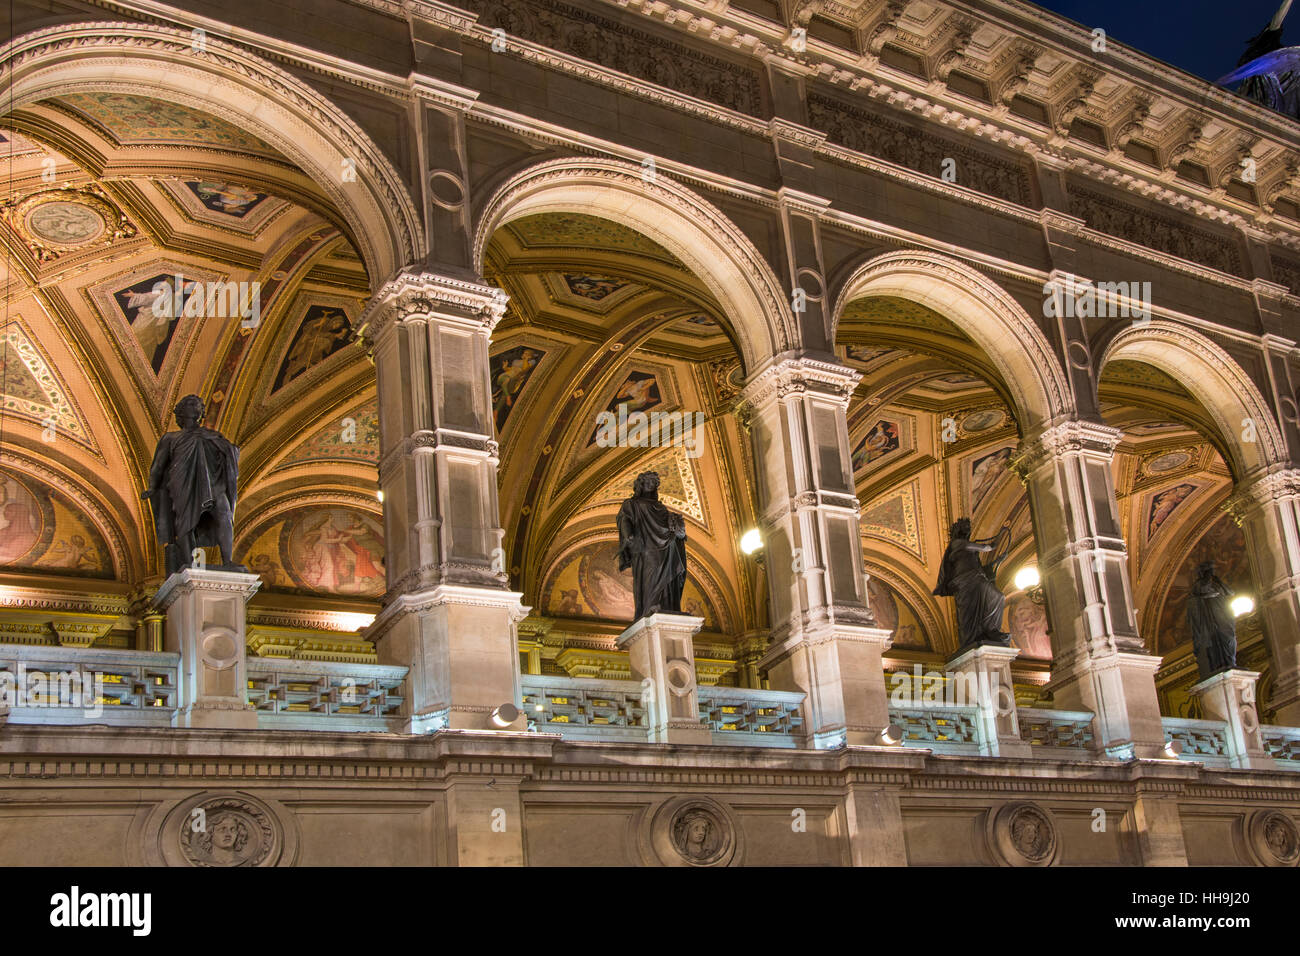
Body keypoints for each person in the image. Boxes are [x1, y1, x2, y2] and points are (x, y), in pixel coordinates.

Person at [141, 394, 243, 573]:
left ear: (201, 412)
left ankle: (228, 560)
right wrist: (152, 487)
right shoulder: (171, 438)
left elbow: (231, 452)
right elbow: (157, 466)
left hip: (213, 482)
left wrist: (229, 449)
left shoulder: (213, 436)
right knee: (185, 519)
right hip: (182, 481)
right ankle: (190, 561)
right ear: (181, 411)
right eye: (190, 403)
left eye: (199, 405)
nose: (196, 406)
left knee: (224, 512)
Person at [616, 471, 687, 619]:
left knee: (669, 576)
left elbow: (675, 528)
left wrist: (677, 527)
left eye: (654, 483)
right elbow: (624, 518)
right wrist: (628, 535)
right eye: (648, 482)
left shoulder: (661, 508)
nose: (652, 484)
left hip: (668, 547)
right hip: (646, 547)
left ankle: (667, 605)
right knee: (652, 574)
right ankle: (651, 605)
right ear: (641, 485)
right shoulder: (632, 504)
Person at [933, 518, 1010, 649]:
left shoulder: (969, 548)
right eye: (965, 527)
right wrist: (1001, 533)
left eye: (968, 527)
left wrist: (997, 561)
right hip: (964, 582)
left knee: (998, 597)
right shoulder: (957, 543)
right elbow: (989, 547)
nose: (968, 529)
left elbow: (981, 569)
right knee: (968, 615)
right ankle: (971, 639)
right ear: (958, 530)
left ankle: (991, 630)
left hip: (977, 578)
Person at [1187, 561, 1237, 679]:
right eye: (1209, 570)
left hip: (1223, 614)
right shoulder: (1199, 585)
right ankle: (1218, 664)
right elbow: (1194, 599)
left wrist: (1218, 582)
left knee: (1230, 638)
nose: (1212, 573)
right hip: (1210, 618)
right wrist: (1210, 595)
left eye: (1212, 571)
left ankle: (1231, 662)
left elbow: (1230, 593)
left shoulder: (1217, 584)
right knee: (1214, 641)